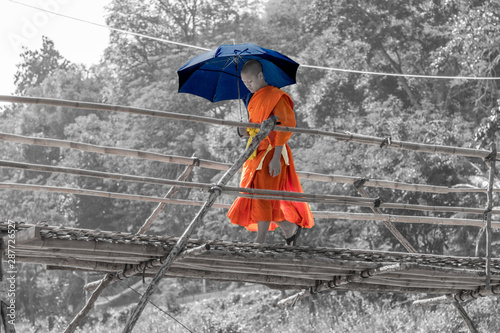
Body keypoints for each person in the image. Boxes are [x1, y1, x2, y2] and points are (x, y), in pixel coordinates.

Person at [227, 59, 314, 245]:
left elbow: (285, 127)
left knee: (263, 195)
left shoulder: (277, 96)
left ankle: (261, 240)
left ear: (260, 75)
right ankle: (288, 227)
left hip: (272, 152)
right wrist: (242, 131)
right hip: (255, 152)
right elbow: (254, 127)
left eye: (250, 82)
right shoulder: (252, 99)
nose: (248, 86)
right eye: (244, 83)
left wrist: (276, 157)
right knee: (255, 195)